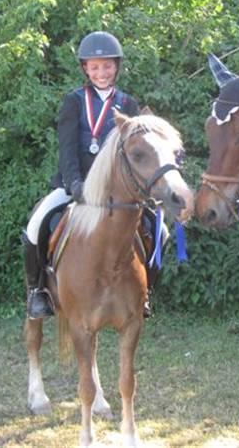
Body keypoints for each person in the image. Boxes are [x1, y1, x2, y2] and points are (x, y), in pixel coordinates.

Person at [22, 31, 142, 319]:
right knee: (36, 226)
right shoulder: (73, 101)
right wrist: (74, 182)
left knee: (157, 230)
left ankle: (145, 293)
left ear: (117, 67)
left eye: (107, 66)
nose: (102, 72)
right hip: (75, 185)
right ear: (85, 69)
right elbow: (67, 147)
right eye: (95, 66)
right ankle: (37, 290)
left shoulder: (129, 104)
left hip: (117, 191)